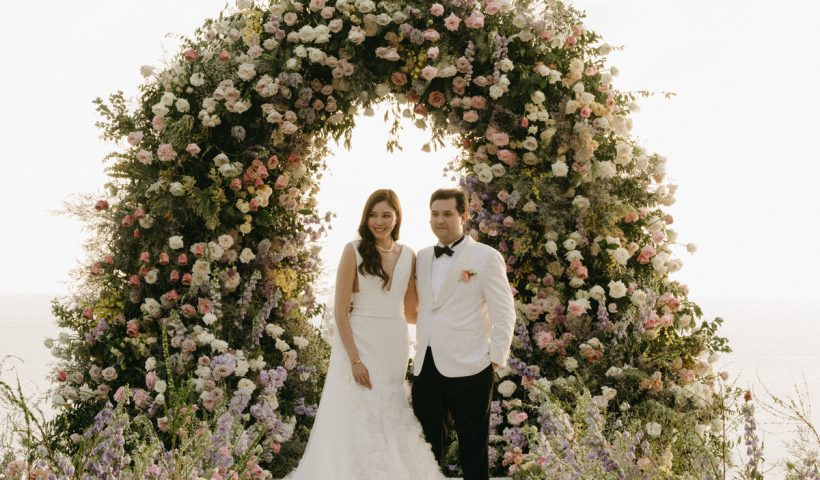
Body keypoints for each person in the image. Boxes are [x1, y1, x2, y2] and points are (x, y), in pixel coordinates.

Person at [285, 189, 444, 480]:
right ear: (365, 217)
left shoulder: (408, 254)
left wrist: (449, 317)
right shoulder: (353, 249)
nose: (379, 221)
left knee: (390, 405)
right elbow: (340, 311)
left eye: (386, 215)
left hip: (394, 342)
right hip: (359, 340)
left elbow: (411, 312)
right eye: (373, 215)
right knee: (359, 406)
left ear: (397, 217)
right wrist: (355, 359)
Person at [412, 188, 516, 480]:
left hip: (472, 368)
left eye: (447, 214)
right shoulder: (420, 257)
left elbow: (504, 311)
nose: (440, 220)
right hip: (426, 366)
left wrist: (493, 360)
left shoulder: (485, 257)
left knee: (473, 452)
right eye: (435, 214)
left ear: (464, 216)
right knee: (426, 453)